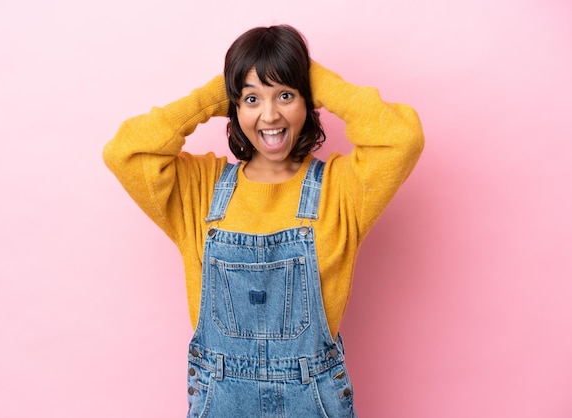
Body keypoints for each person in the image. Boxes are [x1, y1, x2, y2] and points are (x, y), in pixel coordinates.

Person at [103, 24, 424, 417]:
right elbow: (126, 151)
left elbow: (402, 138)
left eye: (286, 95)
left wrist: (311, 76)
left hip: (314, 402)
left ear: (308, 102)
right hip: (221, 402)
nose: (269, 115)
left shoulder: (341, 190)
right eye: (251, 99)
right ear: (233, 106)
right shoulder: (199, 191)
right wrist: (215, 94)